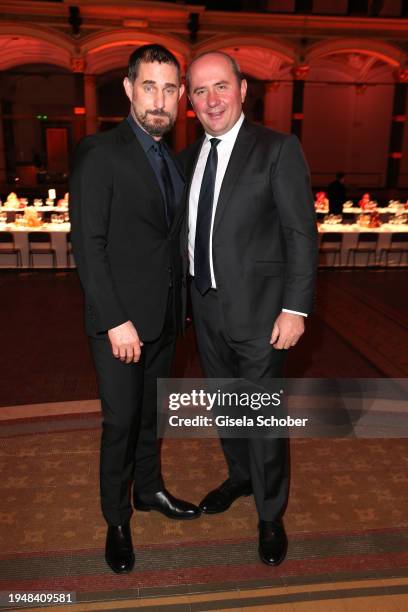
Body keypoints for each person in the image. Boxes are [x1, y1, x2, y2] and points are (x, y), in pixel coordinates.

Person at [179, 51, 317, 566]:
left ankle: (269, 513)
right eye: (199, 91)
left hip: (263, 315)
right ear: (190, 102)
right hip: (205, 309)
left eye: (221, 87)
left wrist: (295, 308)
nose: (212, 99)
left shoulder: (278, 149)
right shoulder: (188, 159)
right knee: (225, 405)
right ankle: (239, 477)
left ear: (242, 90)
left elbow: (300, 234)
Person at [69, 44, 200, 575]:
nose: (159, 99)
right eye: (149, 86)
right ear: (128, 89)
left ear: (181, 97)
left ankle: (148, 491)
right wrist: (115, 320)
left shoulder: (171, 156)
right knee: (120, 421)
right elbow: (88, 245)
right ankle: (116, 518)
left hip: (165, 320)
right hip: (121, 323)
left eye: (170, 89)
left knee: (152, 415)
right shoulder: (101, 152)